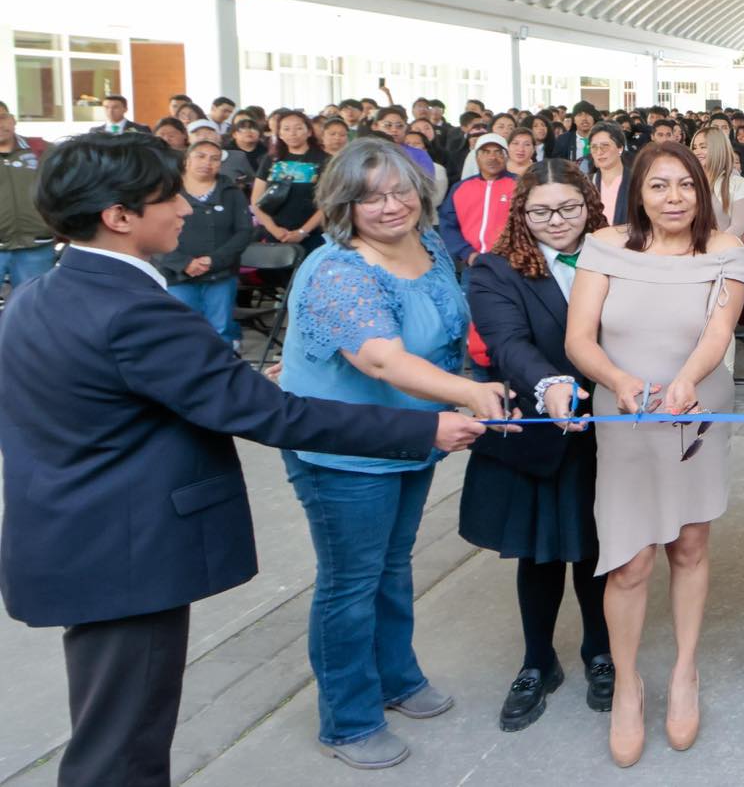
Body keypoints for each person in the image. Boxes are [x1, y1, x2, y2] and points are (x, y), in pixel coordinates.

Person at [0, 133, 486, 787]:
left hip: (77, 539)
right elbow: (272, 416)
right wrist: (419, 430)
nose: (185, 208)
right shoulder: (137, 313)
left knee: (115, 726)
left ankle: (391, 679)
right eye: (169, 196)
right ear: (119, 217)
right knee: (124, 745)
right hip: (125, 551)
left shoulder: (43, 295)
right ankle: (350, 716)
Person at [276, 139, 512, 769]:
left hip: (409, 439)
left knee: (392, 566)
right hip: (344, 450)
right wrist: (471, 394)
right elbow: (381, 358)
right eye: (370, 196)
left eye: (400, 190)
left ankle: (397, 677)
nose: (390, 206)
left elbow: (443, 333)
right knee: (349, 584)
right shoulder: (337, 271)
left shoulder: (427, 245)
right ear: (341, 204)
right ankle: (348, 719)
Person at [564, 143, 744, 766]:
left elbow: (719, 333)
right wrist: (617, 381)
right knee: (629, 560)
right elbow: (579, 338)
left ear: (702, 189)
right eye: (658, 186)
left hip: (694, 410)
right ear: (636, 193)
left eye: (685, 186)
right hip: (624, 413)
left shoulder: (725, 250)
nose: (673, 198)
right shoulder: (604, 246)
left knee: (690, 546)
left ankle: (684, 674)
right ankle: (627, 684)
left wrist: (688, 380)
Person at [460, 161, 615, 732]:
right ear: (522, 214)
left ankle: (599, 651)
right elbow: (507, 343)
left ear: (590, 206)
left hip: (608, 429)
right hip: (537, 429)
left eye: (569, 208)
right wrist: (550, 385)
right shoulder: (495, 270)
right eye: (541, 211)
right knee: (542, 552)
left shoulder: (616, 257)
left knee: (598, 546)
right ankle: (536, 660)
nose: (556, 221)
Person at [153, 140, 253, 344]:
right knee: (181, 330)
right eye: (200, 156)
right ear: (186, 161)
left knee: (221, 329)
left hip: (220, 273)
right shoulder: (165, 190)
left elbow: (244, 231)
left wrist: (213, 260)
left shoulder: (231, 191)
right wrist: (184, 263)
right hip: (175, 274)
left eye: (214, 159)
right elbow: (151, 232)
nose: (207, 162)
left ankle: (221, 373)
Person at [437, 133, 517, 270]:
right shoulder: (460, 188)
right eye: (485, 152)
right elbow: (448, 224)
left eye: (498, 152)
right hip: (472, 264)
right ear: (477, 157)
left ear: (506, 156)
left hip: (512, 264)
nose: (492, 157)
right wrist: (467, 253)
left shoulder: (520, 185)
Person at [252, 110, 328, 249]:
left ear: (309, 131)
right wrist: (274, 229)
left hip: (313, 234)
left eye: (298, 128)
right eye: (286, 129)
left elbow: (329, 202)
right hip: (275, 234)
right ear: (279, 134)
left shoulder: (324, 160)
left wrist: (302, 232)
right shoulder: (270, 159)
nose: (292, 133)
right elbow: (256, 200)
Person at [0, 109, 56, 295]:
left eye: (2, 117)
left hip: (36, 246)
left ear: (13, 120)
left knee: (34, 311)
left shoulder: (42, 151)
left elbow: (68, 188)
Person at [689, 126, 744, 243]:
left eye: (703, 147)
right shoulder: (687, 181)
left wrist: (708, 248)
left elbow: (737, 227)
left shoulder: (738, 183)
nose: (697, 152)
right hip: (686, 253)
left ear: (718, 149)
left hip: (720, 254)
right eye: (694, 148)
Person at [584, 123, 634, 224]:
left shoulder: (637, 181)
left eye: (605, 146)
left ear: (620, 148)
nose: (599, 152)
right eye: (594, 147)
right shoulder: (586, 184)